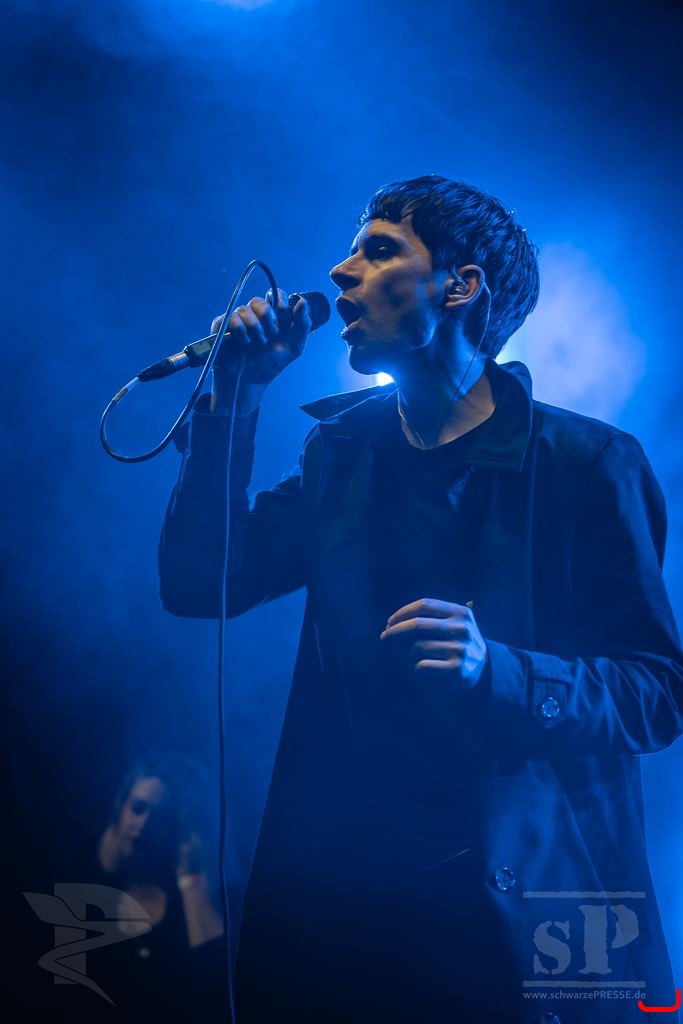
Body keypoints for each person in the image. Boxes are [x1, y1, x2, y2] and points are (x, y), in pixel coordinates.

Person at [158, 175, 683, 1023]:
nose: (340, 272)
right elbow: (198, 584)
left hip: (518, 912)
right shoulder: (339, 453)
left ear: (459, 285)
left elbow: (657, 692)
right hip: (346, 910)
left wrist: (497, 669)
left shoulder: (586, 463)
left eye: (376, 250)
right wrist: (235, 401)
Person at [90, 752, 227, 1021]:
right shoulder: (86, 881)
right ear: (120, 808)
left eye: (162, 818)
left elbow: (214, 984)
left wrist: (192, 877)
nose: (143, 825)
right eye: (138, 808)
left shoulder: (189, 904)